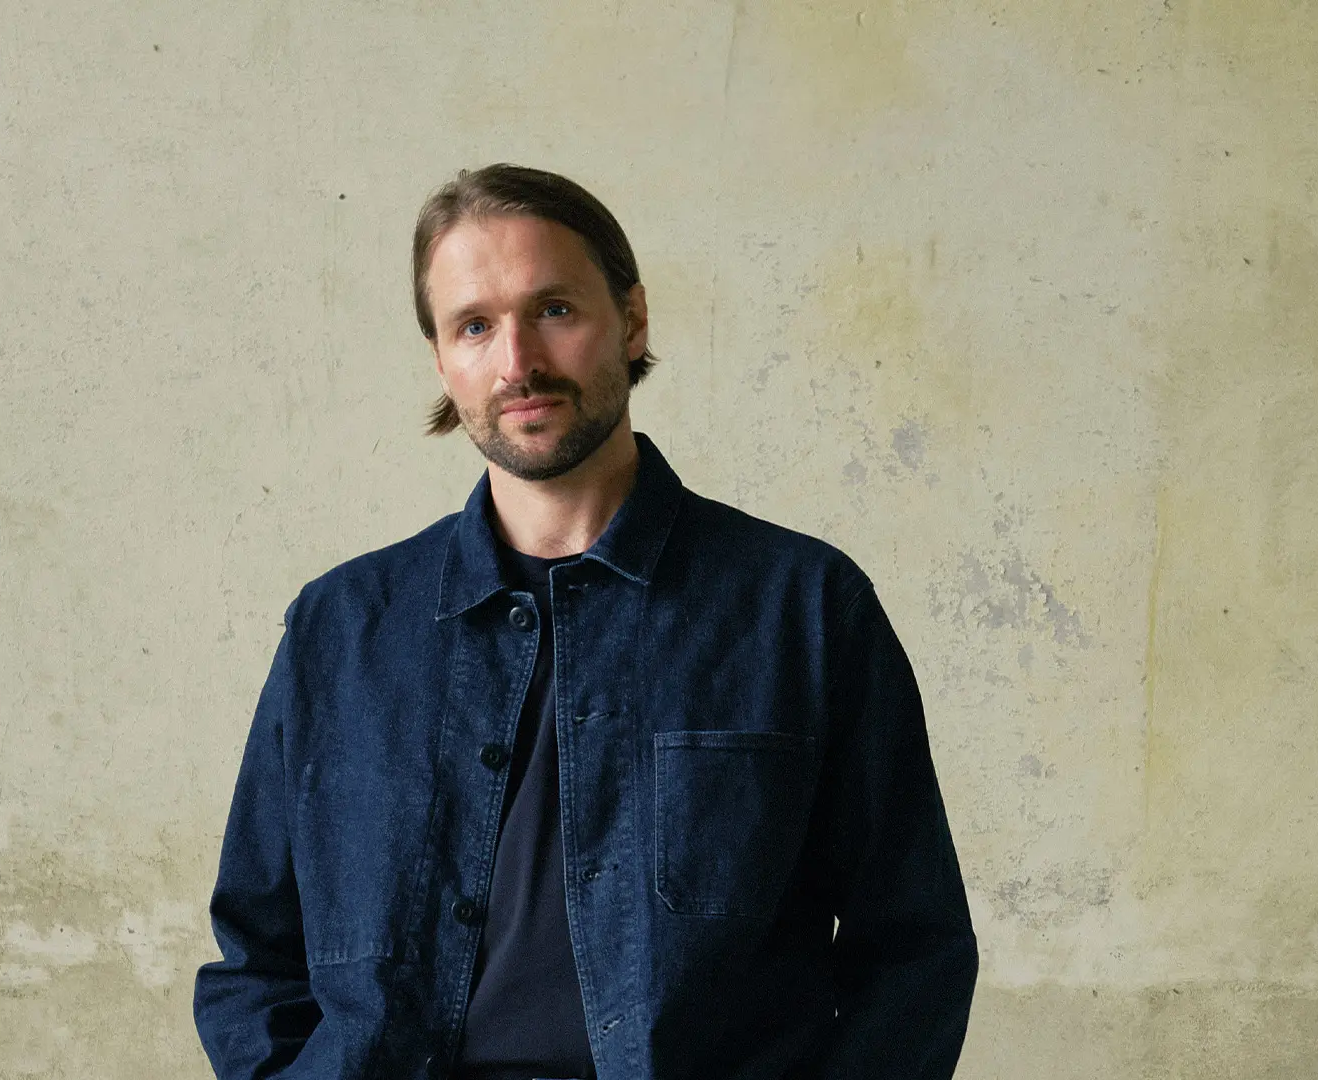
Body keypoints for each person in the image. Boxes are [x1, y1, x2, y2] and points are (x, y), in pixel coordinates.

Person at [193, 163, 978, 1080]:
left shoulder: (801, 607)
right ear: (441, 358)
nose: (517, 362)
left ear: (632, 320)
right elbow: (254, 959)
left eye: (555, 310)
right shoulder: (340, 629)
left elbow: (913, 949)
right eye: (474, 326)